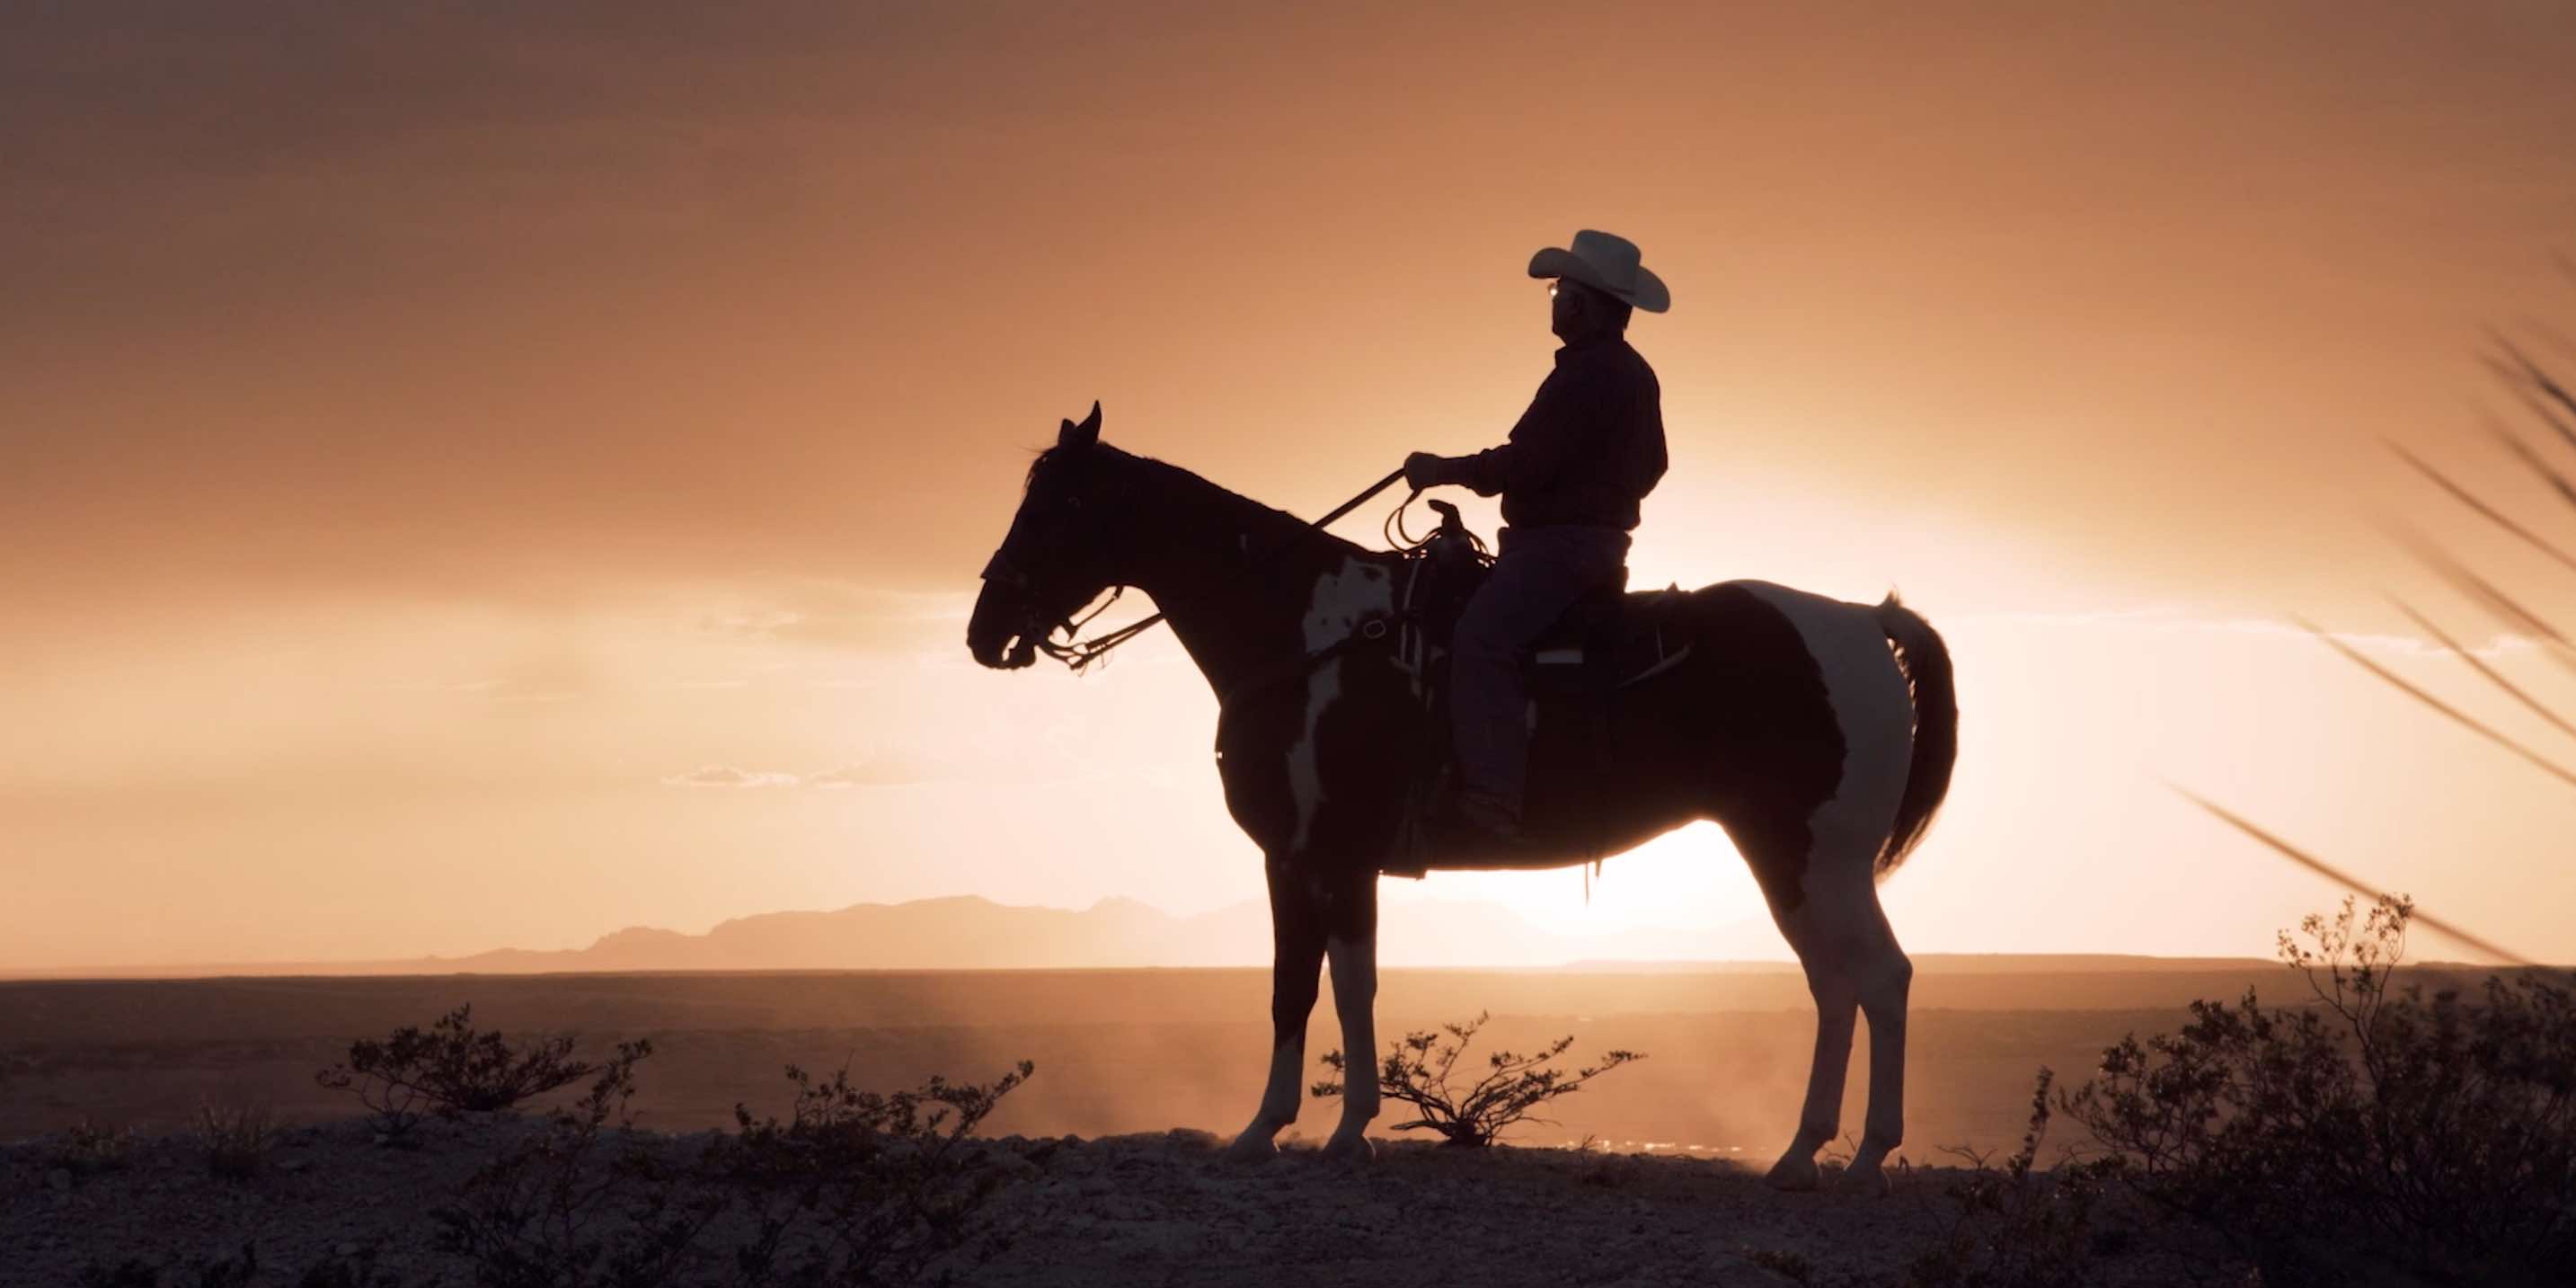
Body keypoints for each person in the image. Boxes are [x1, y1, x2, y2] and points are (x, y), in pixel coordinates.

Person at [1403, 229, 1670, 850]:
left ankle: (1493, 796)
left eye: (1556, 290)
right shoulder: (1630, 372)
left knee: (1481, 638)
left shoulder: (1590, 374)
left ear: (1579, 303)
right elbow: (1653, 466)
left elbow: (1522, 465)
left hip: (1558, 549)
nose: (1551, 300)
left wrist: (1440, 469)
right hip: (1590, 545)